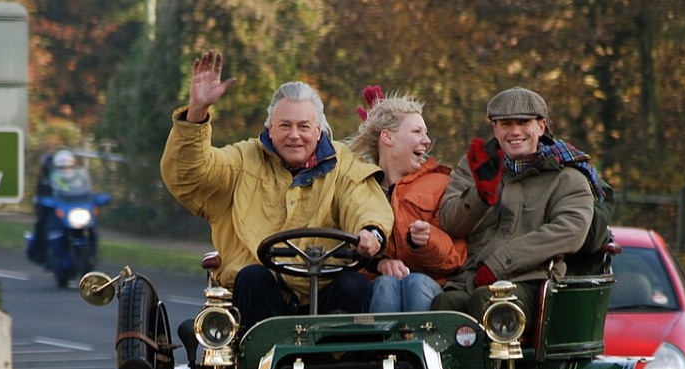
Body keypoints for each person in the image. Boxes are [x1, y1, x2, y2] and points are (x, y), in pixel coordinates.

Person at [160, 50, 393, 331]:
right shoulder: (243, 159)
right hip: (258, 298)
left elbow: (364, 202)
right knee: (253, 277)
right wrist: (197, 112)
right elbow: (189, 175)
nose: (294, 135)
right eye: (285, 126)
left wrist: (370, 231)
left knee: (354, 285)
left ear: (318, 130)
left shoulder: (343, 164)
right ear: (270, 129)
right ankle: (261, 364)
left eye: (303, 126)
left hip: (324, 292)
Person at [432, 87, 601, 327]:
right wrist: (481, 196)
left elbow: (571, 230)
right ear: (495, 129)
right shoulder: (476, 166)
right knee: (444, 308)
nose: (514, 132)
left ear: (541, 127)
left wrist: (500, 264)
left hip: (529, 282)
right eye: (506, 124)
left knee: (488, 303)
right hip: (469, 279)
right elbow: (449, 222)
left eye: (523, 123)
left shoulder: (568, 177)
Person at [345, 87, 467, 313]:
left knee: (415, 283)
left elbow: (456, 258)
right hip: (377, 290)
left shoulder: (442, 184)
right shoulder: (356, 189)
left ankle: (424, 347)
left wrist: (428, 241)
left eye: (426, 132)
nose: (427, 140)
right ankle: (381, 349)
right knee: (385, 285)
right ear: (388, 137)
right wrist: (378, 264)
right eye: (417, 131)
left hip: (429, 286)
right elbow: (340, 256)